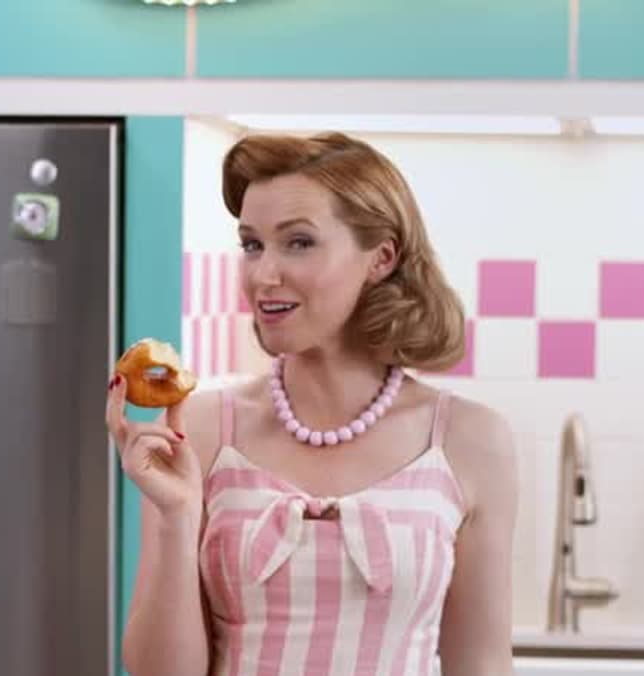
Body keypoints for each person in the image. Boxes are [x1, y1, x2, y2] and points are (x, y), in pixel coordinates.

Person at [106, 131, 519, 676]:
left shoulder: (468, 441)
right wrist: (175, 518)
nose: (263, 275)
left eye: (298, 242)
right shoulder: (201, 432)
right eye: (252, 245)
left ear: (381, 258)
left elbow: (482, 664)